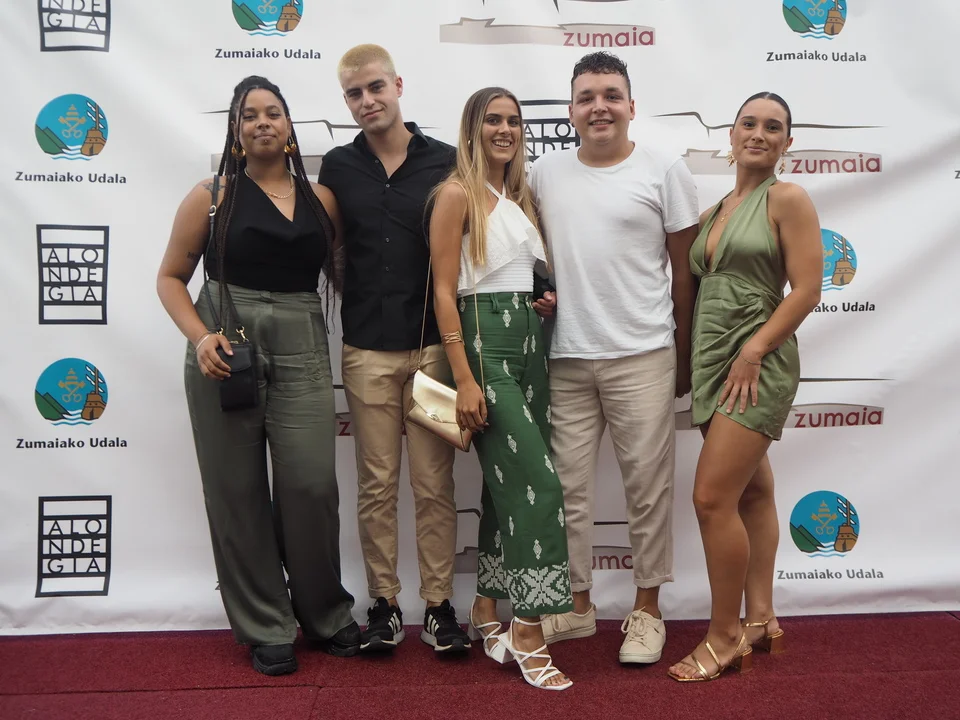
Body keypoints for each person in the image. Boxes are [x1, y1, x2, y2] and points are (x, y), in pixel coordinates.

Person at [156, 76, 359, 675]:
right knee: (236, 491)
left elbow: (347, 275)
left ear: (290, 127)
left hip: (301, 340)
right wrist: (201, 338)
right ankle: (266, 624)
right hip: (227, 346)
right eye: (249, 115)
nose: (262, 122)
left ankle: (324, 613)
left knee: (311, 484)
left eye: (273, 113)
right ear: (236, 131)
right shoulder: (210, 196)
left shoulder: (322, 200)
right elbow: (170, 278)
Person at [528, 51, 699, 664]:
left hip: (643, 353)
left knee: (647, 490)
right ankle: (576, 606)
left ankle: (647, 611)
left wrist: (683, 355)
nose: (598, 106)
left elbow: (685, 273)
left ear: (631, 105)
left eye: (610, 95)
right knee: (566, 491)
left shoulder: (665, 169)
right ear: (571, 110)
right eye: (586, 97)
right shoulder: (543, 173)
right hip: (566, 357)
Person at [317, 44, 470, 654]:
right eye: (354, 94)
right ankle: (382, 605)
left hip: (433, 351)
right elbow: (333, 252)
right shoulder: (337, 166)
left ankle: (438, 607)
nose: (367, 101)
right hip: (366, 353)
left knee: (434, 484)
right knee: (376, 483)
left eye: (375, 87)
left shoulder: (447, 161)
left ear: (398, 85)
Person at [667, 92, 822, 682]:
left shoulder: (788, 198)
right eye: (748, 123)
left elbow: (807, 289)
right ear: (730, 135)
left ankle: (724, 636)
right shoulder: (715, 210)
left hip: (756, 364)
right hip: (714, 363)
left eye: (773, 127)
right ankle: (760, 619)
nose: (758, 133)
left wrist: (754, 351)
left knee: (711, 500)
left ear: (787, 142)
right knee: (753, 493)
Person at [430, 87, 574, 691]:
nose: (505, 129)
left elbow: (517, 273)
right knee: (540, 482)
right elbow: (444, 292)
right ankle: (530, 628)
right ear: (473, 128)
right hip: (482, 345)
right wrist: (464, 378)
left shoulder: (518, 196)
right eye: (493, 119)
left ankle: (486, 606)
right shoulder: (454, 194)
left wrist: (544, 302)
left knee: (504, 483)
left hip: (528, 340)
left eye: (514, 120)